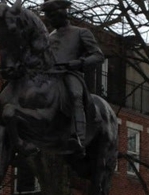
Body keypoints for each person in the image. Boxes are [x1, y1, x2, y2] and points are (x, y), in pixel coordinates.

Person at [40, 0, 105, 155]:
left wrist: (78, 63)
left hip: (70, 73)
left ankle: (79, 137)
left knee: (75, 94)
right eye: (48, 17)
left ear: (63, 13)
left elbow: (98, 55)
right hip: (50, 76)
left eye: (53, 16)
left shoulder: (81, 32)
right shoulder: (48, 38)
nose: (51, 20)